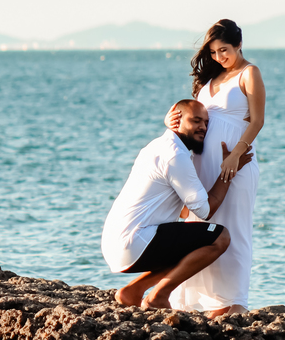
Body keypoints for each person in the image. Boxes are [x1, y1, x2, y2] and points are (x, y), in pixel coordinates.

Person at [102, 99, 254, 309]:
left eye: (206, 123)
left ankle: (133, 290)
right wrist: (229, 170)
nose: (203, 128)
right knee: (220, 237)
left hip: (116, 244)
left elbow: (183, 213)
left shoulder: (156, 146)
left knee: (189, 239)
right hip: (135, 242)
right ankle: (158, 296)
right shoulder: (175, 155)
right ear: (177, 120)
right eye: (196, 121)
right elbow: (206, 211)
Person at [166, 19, 265, 317]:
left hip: (235, 164)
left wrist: (235, 155)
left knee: (235, 228)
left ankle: (235, 302)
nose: (219, 57)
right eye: (213, 52)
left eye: (224, 50)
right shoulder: (210, 78)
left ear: (239, 45)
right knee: (199, 227)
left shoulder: (249, 73)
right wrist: (170, 122)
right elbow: (191, 116)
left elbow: (258, 121)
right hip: (201, 163)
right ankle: (206, 301)